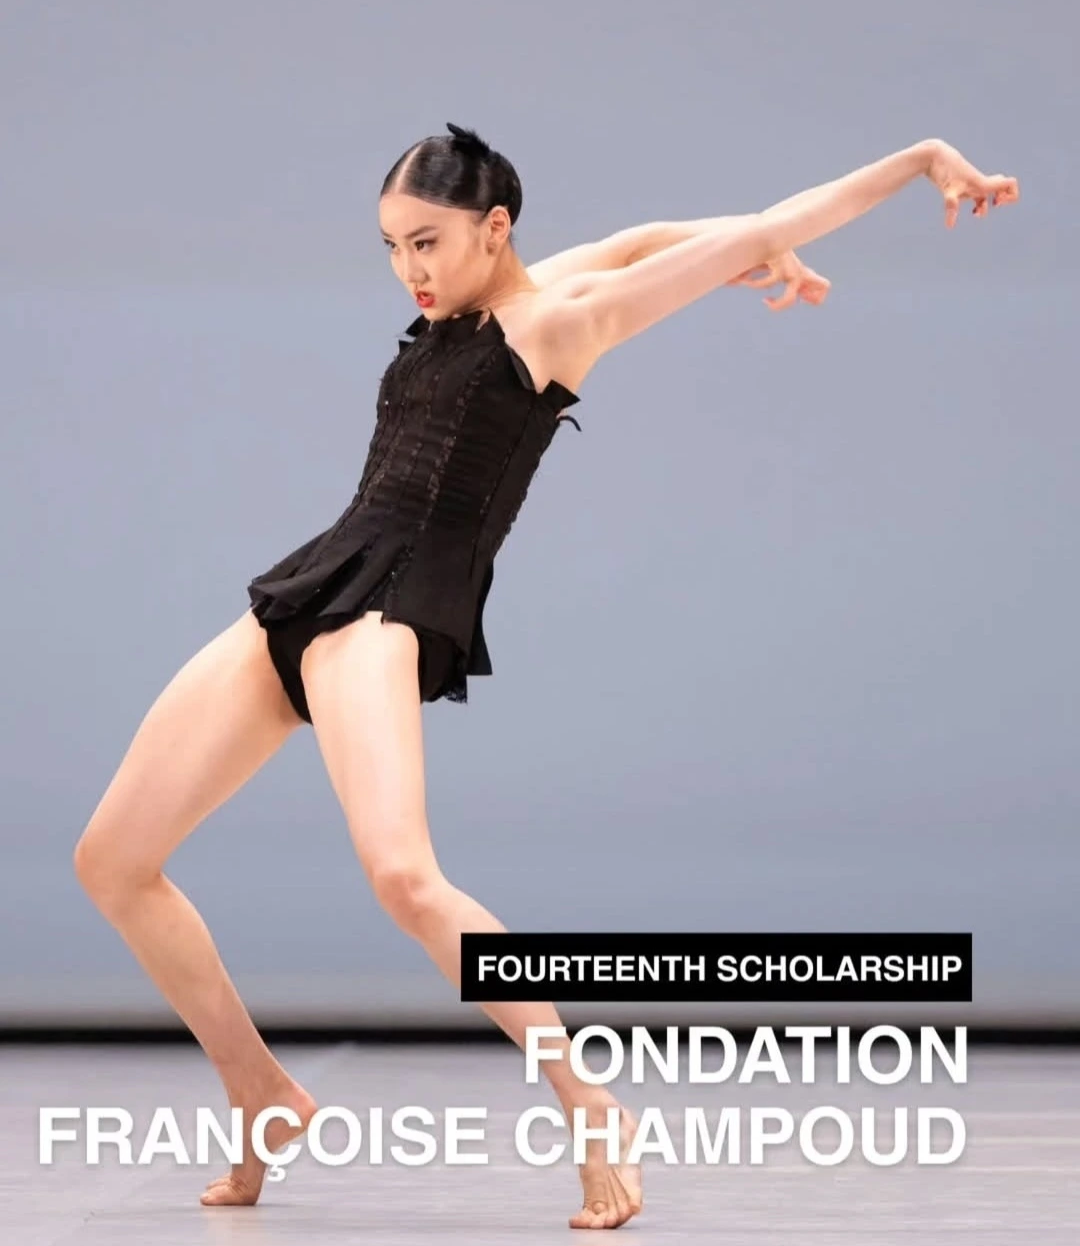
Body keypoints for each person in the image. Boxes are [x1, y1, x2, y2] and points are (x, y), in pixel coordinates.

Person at [73, 122, 1018, 1229]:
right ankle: (259, 1089)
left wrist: (915, 163)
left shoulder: (559, 323)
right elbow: (647, 234)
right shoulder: (487, 298)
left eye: (426, 242)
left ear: (494, 227)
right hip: (311, 584)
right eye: (391, 248)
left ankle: (591, 1105)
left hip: (386, 614)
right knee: (113, 860)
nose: (409, 271)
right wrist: (747, 246)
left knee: (404, 879)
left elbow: (756, 226)